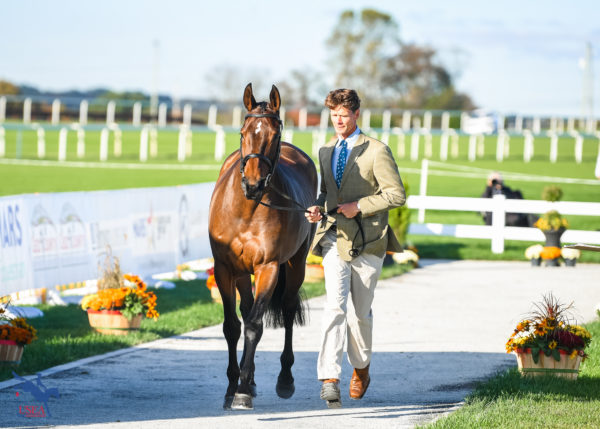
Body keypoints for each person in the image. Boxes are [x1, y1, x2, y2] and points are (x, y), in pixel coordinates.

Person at [305, 89, 406, 408]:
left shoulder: (377, 150)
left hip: (369, 241)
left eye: (344, 115)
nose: (338, 120)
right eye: (334, 114)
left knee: (359, 315)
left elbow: (396, 195)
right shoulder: (325, 151)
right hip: (335, 237)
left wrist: (360, 206)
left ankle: (361, 368)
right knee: (334, 306)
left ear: (356, 115)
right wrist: (317, 209)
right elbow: (326, 196)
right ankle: (329, 377)